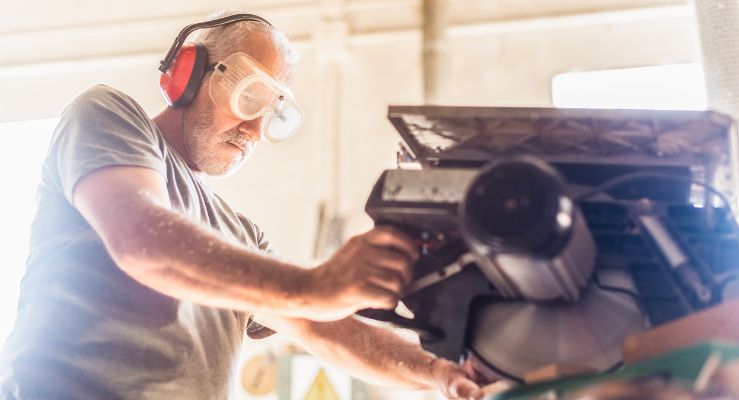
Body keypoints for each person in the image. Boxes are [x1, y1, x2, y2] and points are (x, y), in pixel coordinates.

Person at [0, 11, 483, 400]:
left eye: (272, 114)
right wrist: (317, 283)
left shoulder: (242, 237)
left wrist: (441, 373)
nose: (254, 131)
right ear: (188, 75)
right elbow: (141, 240)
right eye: (250, 98)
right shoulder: (107, 114)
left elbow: (322, 327)